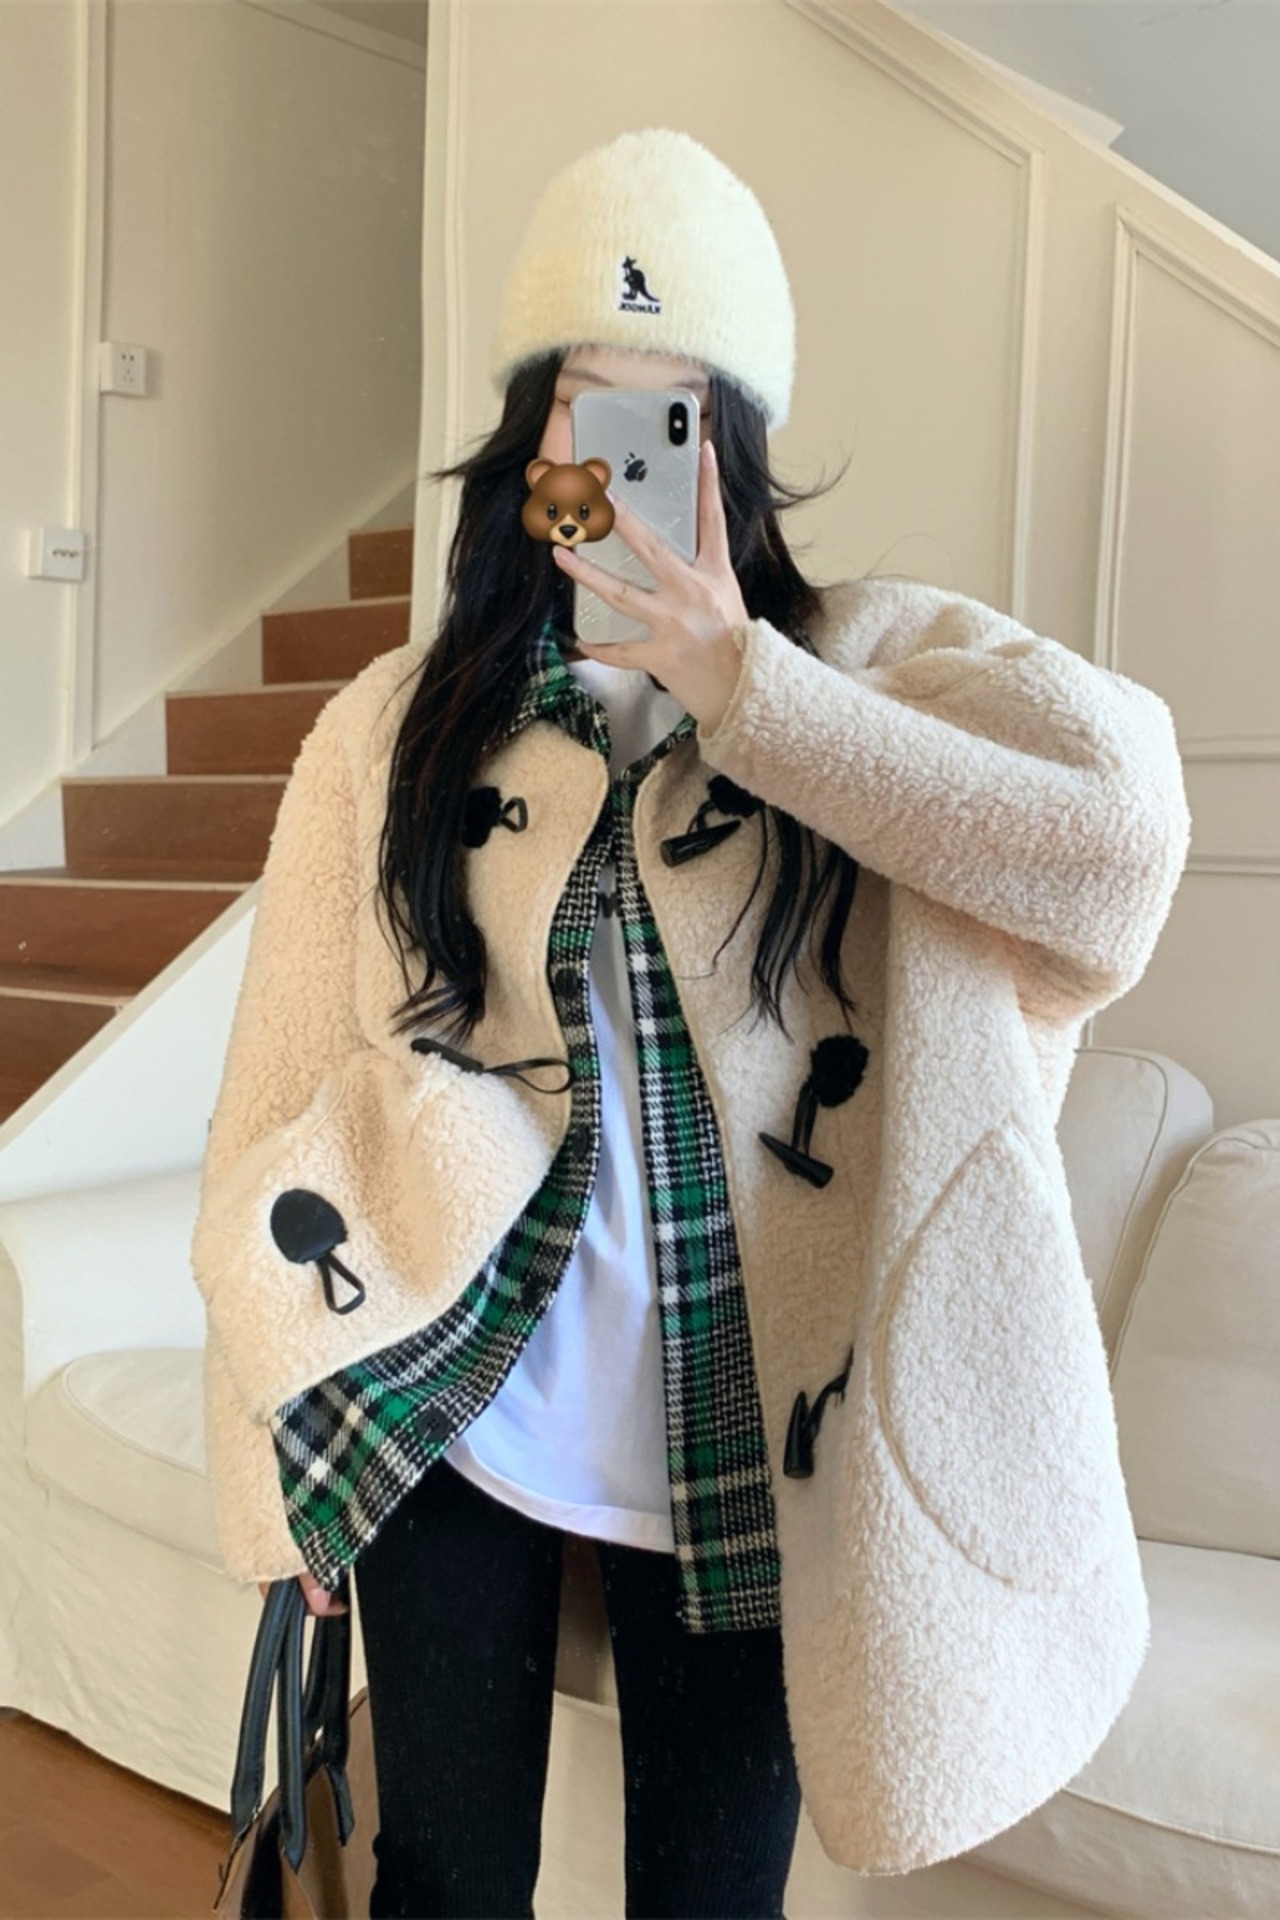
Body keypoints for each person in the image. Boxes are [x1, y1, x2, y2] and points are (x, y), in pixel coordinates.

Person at [192, 128, 1191, 1917]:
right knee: (439, 1887)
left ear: (733, 446)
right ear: (530, 449)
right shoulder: (396, 726)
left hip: (752, 1448)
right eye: (584, 416)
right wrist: (277, 1457)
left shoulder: (861, 675)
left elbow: (1120, 846)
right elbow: (275, 1094)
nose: (621, 476)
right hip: (454, 1415)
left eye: (674, 423)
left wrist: (751, 692)